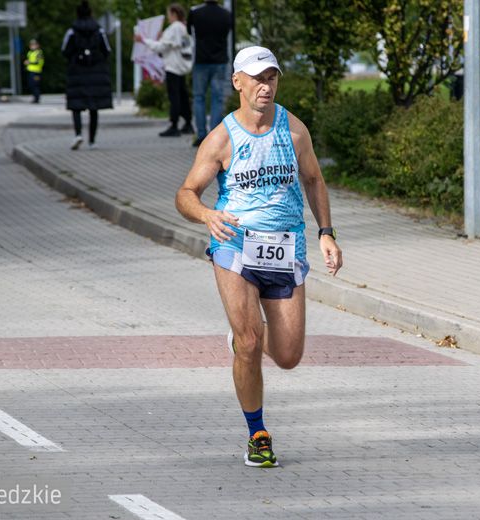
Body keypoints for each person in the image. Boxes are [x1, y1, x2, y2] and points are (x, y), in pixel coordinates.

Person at [175, 46, 343, 468]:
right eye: (257, 78)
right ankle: (257, 433)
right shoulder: (222, 139)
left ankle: (240, 337)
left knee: (288, 356)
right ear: (238, 82)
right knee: (252, 342)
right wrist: (207, 215)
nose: (265, 86)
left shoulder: (295, 130)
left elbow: (314, 179)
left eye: (271, 78)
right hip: (235, 244)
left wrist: (326, 232)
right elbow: (185, 194)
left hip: (285, 248)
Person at [135, 4, 193, 137]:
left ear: (174, 14)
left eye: (169, 14)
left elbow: (161, 47)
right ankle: (188, 123)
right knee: (183, 96)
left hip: (173, 67)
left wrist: (143, 40)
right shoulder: (184, 27)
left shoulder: (174, 28)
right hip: (182, 67)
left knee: (175, 97)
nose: (168, 17)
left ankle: (174, 125)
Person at [61, 1, 113, 150]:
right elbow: (107, 50)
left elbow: (65, 51)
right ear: (91, 13)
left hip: (77, 73)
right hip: (96, 74)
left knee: (76, 106)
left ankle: (78, 134)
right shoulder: (99, 30)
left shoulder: (72, 31)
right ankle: (92, 141)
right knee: (93, 107)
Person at [187, 0, 232, 147]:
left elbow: (189, 31)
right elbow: (228, 31)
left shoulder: (195, 13)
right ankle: (214, 136)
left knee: (199, 97)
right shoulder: (226, 14)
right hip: (220, 61)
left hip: (201, 60)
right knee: (217, 99)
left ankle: (201, 135)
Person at [24, 39, 44, 103]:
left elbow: (39, 62)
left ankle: (37, 99)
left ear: (37, 45)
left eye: (34, 45)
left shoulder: (39, 53)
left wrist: (29, 62)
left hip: (36, 72)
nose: (33, 46)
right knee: (31, 85)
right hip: (30, 71)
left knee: (36, 85)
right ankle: (34, 97)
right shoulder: (30, 52)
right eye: (31, 45)